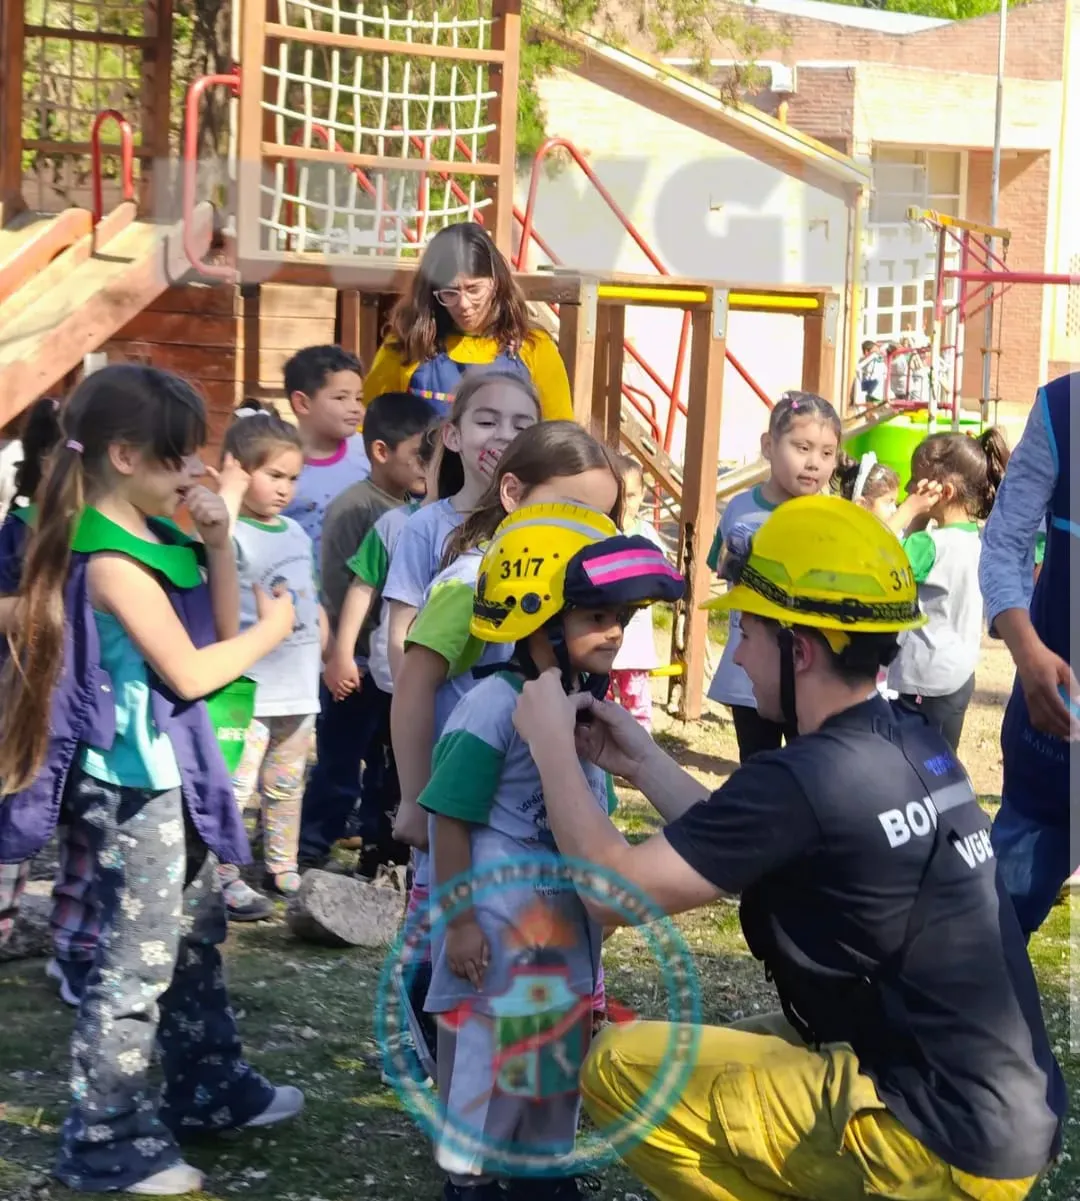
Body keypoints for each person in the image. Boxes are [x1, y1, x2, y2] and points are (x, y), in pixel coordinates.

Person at [511, 495, 1066, 1201]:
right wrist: (644, 763)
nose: (737, 651)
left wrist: (552, 744)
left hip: (935, 1140)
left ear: (799, 648)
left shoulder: (813, 775)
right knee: (734, 1050)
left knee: (620, 1065)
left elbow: (610, 891)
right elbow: (749, 840)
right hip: (997, 1115)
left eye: (747, 628)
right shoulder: (903, 740)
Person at [0, 365, 304, 1195]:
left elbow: (221, 621)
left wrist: (214, 541)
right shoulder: (109, 562)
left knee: (195, 940)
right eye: (180, 459)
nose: (194, 475)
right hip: (133, 787)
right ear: (126, 455)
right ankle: (105, 1142)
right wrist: (280, 625)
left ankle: (211, 1089)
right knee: (134, 970)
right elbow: (195, 670)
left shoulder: (149, 536)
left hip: (175, 775)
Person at [418, 505, 684, 1201]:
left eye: (617, 615)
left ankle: (540, 1167)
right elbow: (447, 817)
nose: (616, 630)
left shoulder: (579, 709)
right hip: (498, 930)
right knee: (485, 1050)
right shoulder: (490, 707)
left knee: (555, 1051)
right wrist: (462, 921)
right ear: (538, 621)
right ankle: (468, 1175)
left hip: (562, 933)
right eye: (596, 615)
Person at [389, 423, 621, 1080]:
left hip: (542, 832)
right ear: (514, 493)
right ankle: (454, 1087)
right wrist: (412, 797)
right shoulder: (473, 583)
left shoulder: (584, 604)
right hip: (475, 812)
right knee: (464, 965)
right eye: (569, 508)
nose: (586, 527)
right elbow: (415, 681)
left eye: (599, 514)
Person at [300, 391, 434, 871]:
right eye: (420, 454)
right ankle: (309, 848)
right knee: (340, 763)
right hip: (357, 661)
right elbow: (345, 585)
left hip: (391, 666)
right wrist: (340, 651)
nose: (427, 466)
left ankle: (380, 851)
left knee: (388, 766)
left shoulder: (412, 509)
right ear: (381, 451)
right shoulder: (364, 509)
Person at [212, 411, 325, 920]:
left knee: (285, 784)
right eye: (272, 475)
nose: (284, 488)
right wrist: (228, 495)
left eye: (292, 477)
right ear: (239, 471)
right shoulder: (229, 534)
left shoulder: (297, 534)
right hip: (248, 689)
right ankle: (223, 871)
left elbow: (306, 591)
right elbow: (214, 545)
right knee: (236, 785)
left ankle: (281, 865)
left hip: (297, 687)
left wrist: (321, 629)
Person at [981, 372, 1080, 937]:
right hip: (1056, 731)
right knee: (990, 937)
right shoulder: (1061, 408)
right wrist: (1027, 651)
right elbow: (1003, 545)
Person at [705, 391, 840, 762]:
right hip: (749, 669)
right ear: (768, 445)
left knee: (809, 766)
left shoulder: (834, 518)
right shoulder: (740, 509)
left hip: (809, 670)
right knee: (756, 765)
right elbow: (720, 566)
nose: (814, 463)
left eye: (826, 454)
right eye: (802, 447)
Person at [382, 369, 541, 680]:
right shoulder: (425, 526)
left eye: (522, 426)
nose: (505, 435)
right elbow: (401, 633)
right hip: (446, 712)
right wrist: (409, 705)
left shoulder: (543, 522)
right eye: (486, 422)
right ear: (453, 437)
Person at [363, 221, 573, 422]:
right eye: (450, 292)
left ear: (496, 282)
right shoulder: (408, 343)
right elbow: (370, 424)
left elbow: (560, 436)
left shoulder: (534, 347)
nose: (463, 304)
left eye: (474, 289)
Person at [886, 428, 1009, 753]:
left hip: (921, 676)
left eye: (916, 481)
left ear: (944, 491)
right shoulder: (980, 539)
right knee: (940, 762)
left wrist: (909, 511)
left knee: (909, 764)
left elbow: (874, 555)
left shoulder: (928, 544)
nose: (910, 488)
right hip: (959, 675)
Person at [281, 344, 368, 562]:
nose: (355, 408)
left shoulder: (371, 454)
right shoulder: (276, 467)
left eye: (358, 398)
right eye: (341, 398)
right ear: (302, 403)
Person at [607, 454, 667, 731]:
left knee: (637, 703)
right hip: (602, 636)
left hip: (634, 644)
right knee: (601, 700)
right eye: (618, 495)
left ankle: (639, 753)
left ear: (642, 494)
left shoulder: (647, 535)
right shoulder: (600, 530)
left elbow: (660, 573)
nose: (624, 504)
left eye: (630, 495)